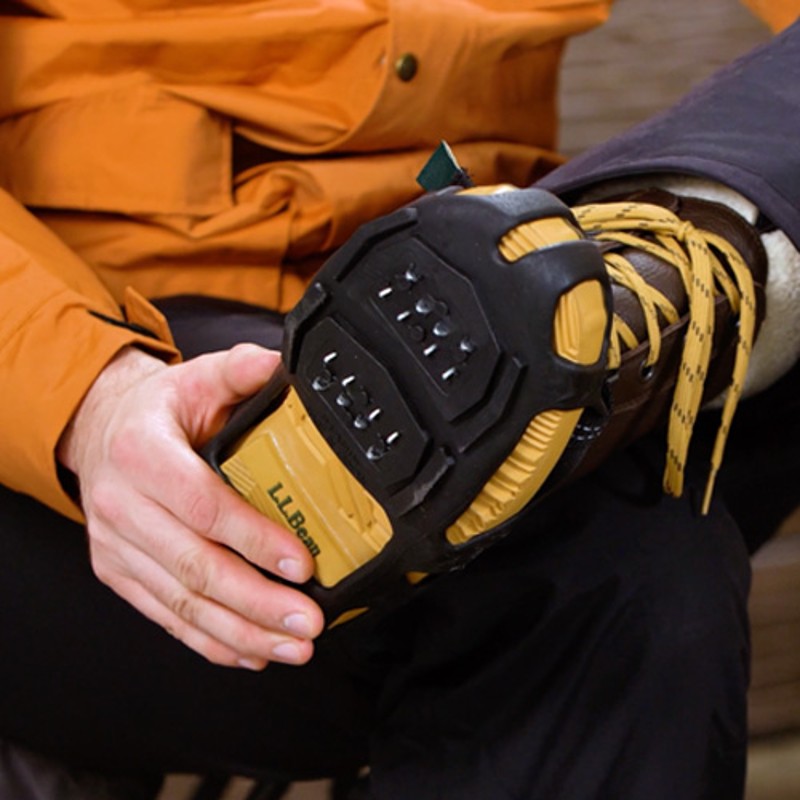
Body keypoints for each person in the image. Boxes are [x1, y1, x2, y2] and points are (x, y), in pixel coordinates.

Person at [1, 2, 799, 799]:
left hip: (497, 277)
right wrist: (90, 399)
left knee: (589, 496)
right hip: (127, 369)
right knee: (620, 570)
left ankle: (657, 273)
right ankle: (628, 303)